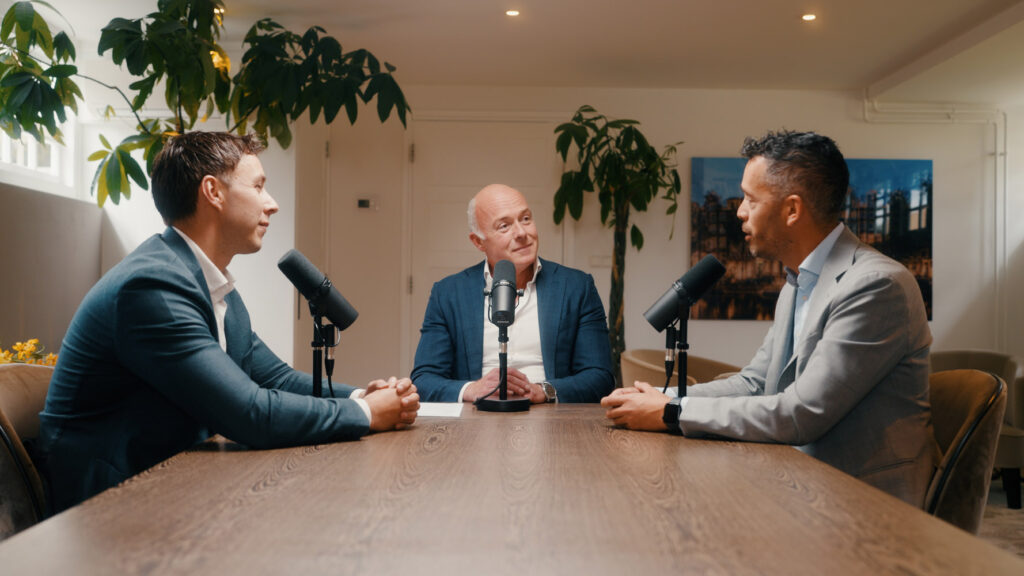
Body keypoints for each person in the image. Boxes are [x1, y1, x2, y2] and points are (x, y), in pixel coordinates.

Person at [35, 132, 419, 514]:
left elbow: (275, 379)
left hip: (172, 483)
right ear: (213, 192)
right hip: (109, 505)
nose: (272, 204)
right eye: (258, 187)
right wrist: (367, 414)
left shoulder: (209, 283)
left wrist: (360, 397)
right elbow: (248, 413)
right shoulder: (152, 286)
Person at [601, 130, 939, 507]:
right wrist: (662, 397)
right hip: (799, 482)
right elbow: (757, 383)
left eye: (750, 199)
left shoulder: (876, 285)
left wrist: (671, 412)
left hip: (864, 503)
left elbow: (802, 413)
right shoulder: (798, 281)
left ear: (792, 210)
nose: (740, 212)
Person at [412, 184, 614, 404]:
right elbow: (424, 380)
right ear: (478, 241)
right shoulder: (448, 294)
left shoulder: (577, 287)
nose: (521, 233)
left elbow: (600, 377)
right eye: (504, 226)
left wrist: (544, 391)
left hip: (550, 415)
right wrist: (474, 389)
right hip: (476, 415)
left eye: (526, 219)